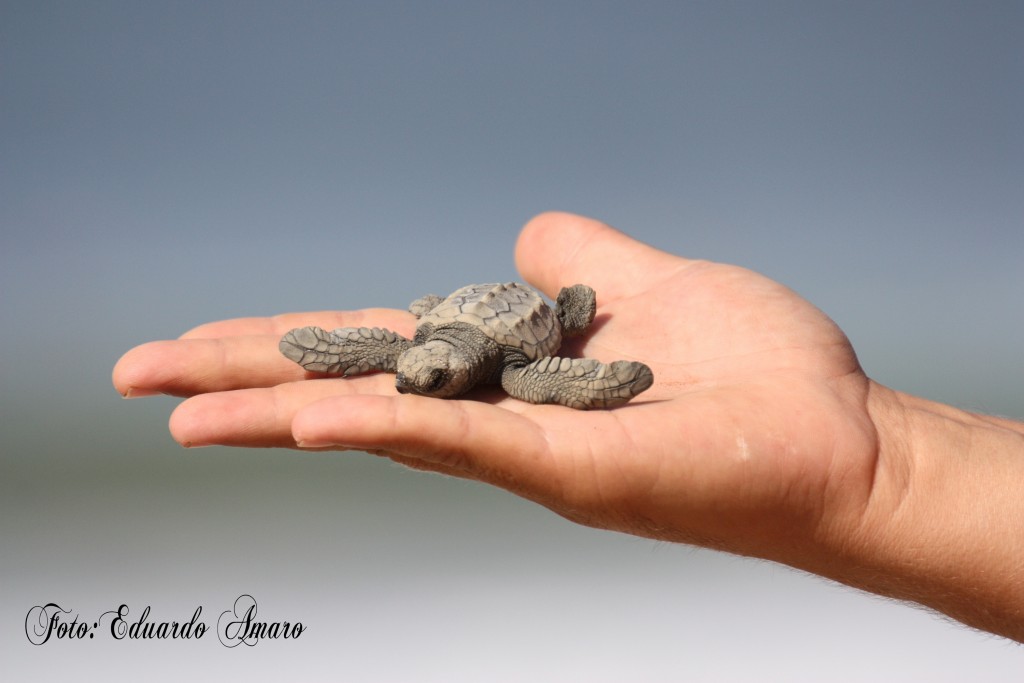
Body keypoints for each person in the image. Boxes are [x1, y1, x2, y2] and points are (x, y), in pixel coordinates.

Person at [113, 211, 1024, 642]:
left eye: (429, 378)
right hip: (455, 308)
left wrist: (876, 463)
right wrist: (347, 348)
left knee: (576, 338)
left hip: (519, 318)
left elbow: (584, 379)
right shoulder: (425, 349)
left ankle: (574, 307)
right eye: (417, 373)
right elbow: (393, 353)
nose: (419, 385)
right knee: (358, 348)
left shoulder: (511, 364)